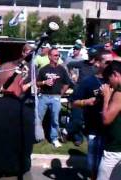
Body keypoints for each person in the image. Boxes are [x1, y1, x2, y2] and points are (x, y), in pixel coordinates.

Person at [70, 50, 113, 179]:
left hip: (112, 131)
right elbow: (73, 102)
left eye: (113, 61)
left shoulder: (116, 79)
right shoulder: (88, 81)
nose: (111, 65)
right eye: (108, 62)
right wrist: (86, 102)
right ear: (98, 63)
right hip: (94, 128)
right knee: (94, 167)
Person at [37, 48, 70, 148]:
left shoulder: (62, 69)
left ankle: (54, 138)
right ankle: (36, 136)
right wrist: (44, 82)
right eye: (55, 55)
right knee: (38, 118)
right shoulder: (43, 69)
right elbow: (37, 82)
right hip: (43, 97)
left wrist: (61, 93)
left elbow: (67, 83)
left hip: (55, 97)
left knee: (55, 120)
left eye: (58, 55)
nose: (57, 57)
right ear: (49, 56)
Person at [96, 61, 121, 180]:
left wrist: (106, 97)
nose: (108, 83)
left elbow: (106, 119)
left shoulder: (119, 93)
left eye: (108, 79)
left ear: (115, 75)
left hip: (115, 149)